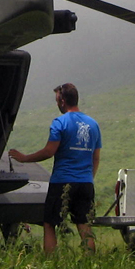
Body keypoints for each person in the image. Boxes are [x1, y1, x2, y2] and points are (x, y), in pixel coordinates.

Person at [9, 83, 101, 254]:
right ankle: (90, 262)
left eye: (57, 100)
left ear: (62, 101)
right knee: (84, 224)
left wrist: (24, 158)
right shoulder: (93, 125)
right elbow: (95, 157)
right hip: (86, 182)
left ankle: (52, 263)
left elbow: (49, 151)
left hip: (62, 181)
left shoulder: (60, 122)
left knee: (50, 223)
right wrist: (89, 177)